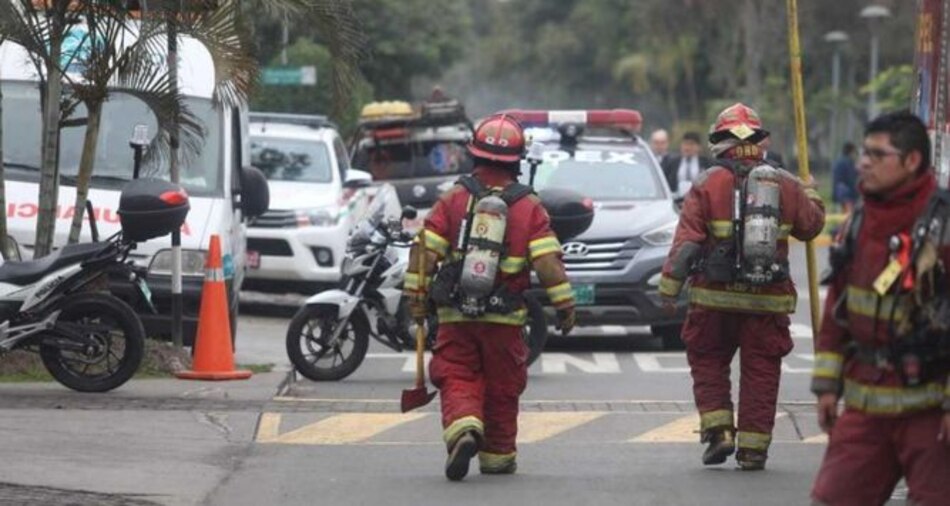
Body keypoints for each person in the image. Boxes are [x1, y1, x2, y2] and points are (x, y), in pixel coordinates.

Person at [403, 113, 576, 481]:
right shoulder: (529, 207)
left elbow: (423, 255)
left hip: (455, 316)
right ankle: (498, 457)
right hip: (505, 319)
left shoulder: (453, 199)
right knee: (503, 386)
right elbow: (547, 264)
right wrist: (565, 306)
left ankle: (464, 430)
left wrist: (416, 300)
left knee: (456, 375)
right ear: (518, 161)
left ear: (474, 155)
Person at [658, 103, 825, 471]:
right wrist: (810, 194)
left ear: (721, 139)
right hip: (767, 300)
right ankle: (753, 450)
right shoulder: (784, 182)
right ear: (758, 141)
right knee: (761, 372)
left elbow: (686, 243)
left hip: (712, 300)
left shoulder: (706, 182)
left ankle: (719, 433)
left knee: (708, 361)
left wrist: (669, 290)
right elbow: (811, 227)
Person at [810, 111, 950, 505]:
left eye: (877, 154)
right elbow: (837, 311)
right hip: (865, 406)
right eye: (864, 153)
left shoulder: (944, 224)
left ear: (912, 161)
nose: (864, 163)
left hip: (931, 410)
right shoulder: (857, 223)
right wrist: (826, 386)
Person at [661, 131, 712, 197]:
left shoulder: (707, 163)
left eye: (691, 144)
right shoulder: (671, 163)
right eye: (685, 144)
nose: (687, 148)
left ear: (699, 147)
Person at [831, 142, 858, 214]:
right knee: (848, 216)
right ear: (851, 152)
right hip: (847, 195)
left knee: (842, 216)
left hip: (839, 193)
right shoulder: (848, 163)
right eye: (855, 152)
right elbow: (851, 179)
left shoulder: (838, 161)